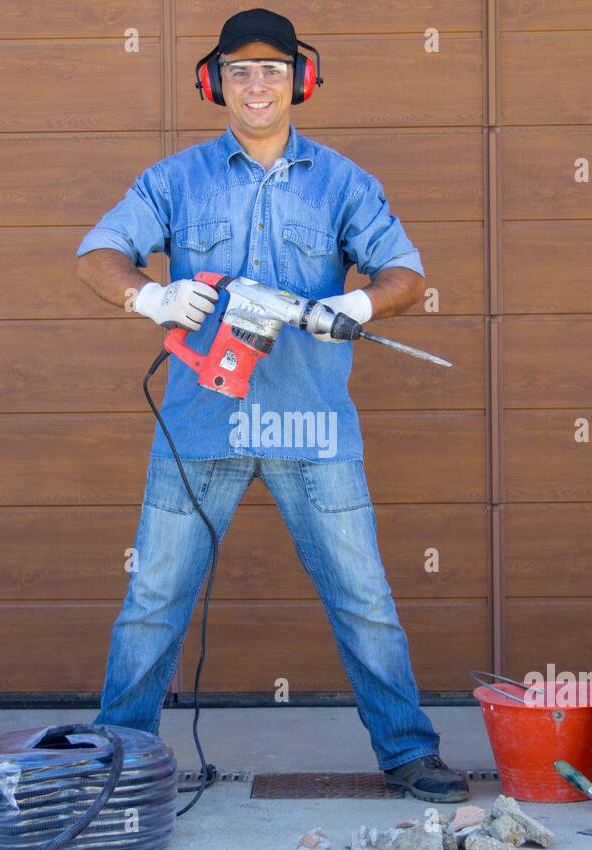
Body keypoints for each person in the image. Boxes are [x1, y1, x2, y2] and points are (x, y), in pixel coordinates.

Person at [74, 7, 468, 802]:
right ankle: (120, 760)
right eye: (242, 70)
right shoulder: (175, 180)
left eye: (274, 70)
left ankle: (407, 752)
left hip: (312, 426)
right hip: (199, 428)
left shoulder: (344, 183)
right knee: (152, 599)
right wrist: (152, 297)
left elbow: (406, 274)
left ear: (302, 81)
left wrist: (357, 307)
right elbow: (96, 254)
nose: (258, 85)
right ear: (215, 82)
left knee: (363, 597)